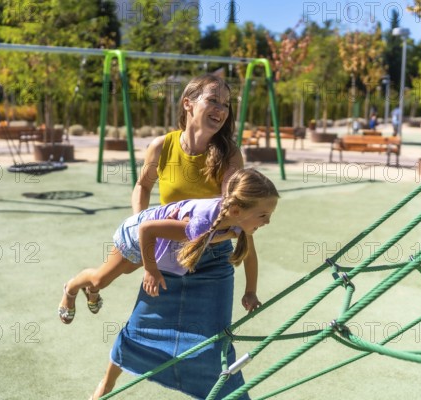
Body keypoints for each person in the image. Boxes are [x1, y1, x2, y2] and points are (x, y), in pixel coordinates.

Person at [92, 74, 261, 399]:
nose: (221, 110)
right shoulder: (163, 145)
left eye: (226, 104)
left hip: (212, 262)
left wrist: (251, 288)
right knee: (140, 325)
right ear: (188, 103)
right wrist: (140, 226)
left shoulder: (229, 155)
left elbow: (232, 217)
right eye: (213, 100)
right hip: (170, 254)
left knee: (216, 342)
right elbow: (143, 186)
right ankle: (106, 385)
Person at [58, 168, 278, 320]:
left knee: (124, 271)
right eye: (263, 215)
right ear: (238, 210)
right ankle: (72, 287)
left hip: (157, 242)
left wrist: (250, 291)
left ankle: (92, 289)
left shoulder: (236, 220)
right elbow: (147, 229)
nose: (268, 221)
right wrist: (151, 271)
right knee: (101, 278)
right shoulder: (200, 222)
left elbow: (249, 255)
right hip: (136, 235)